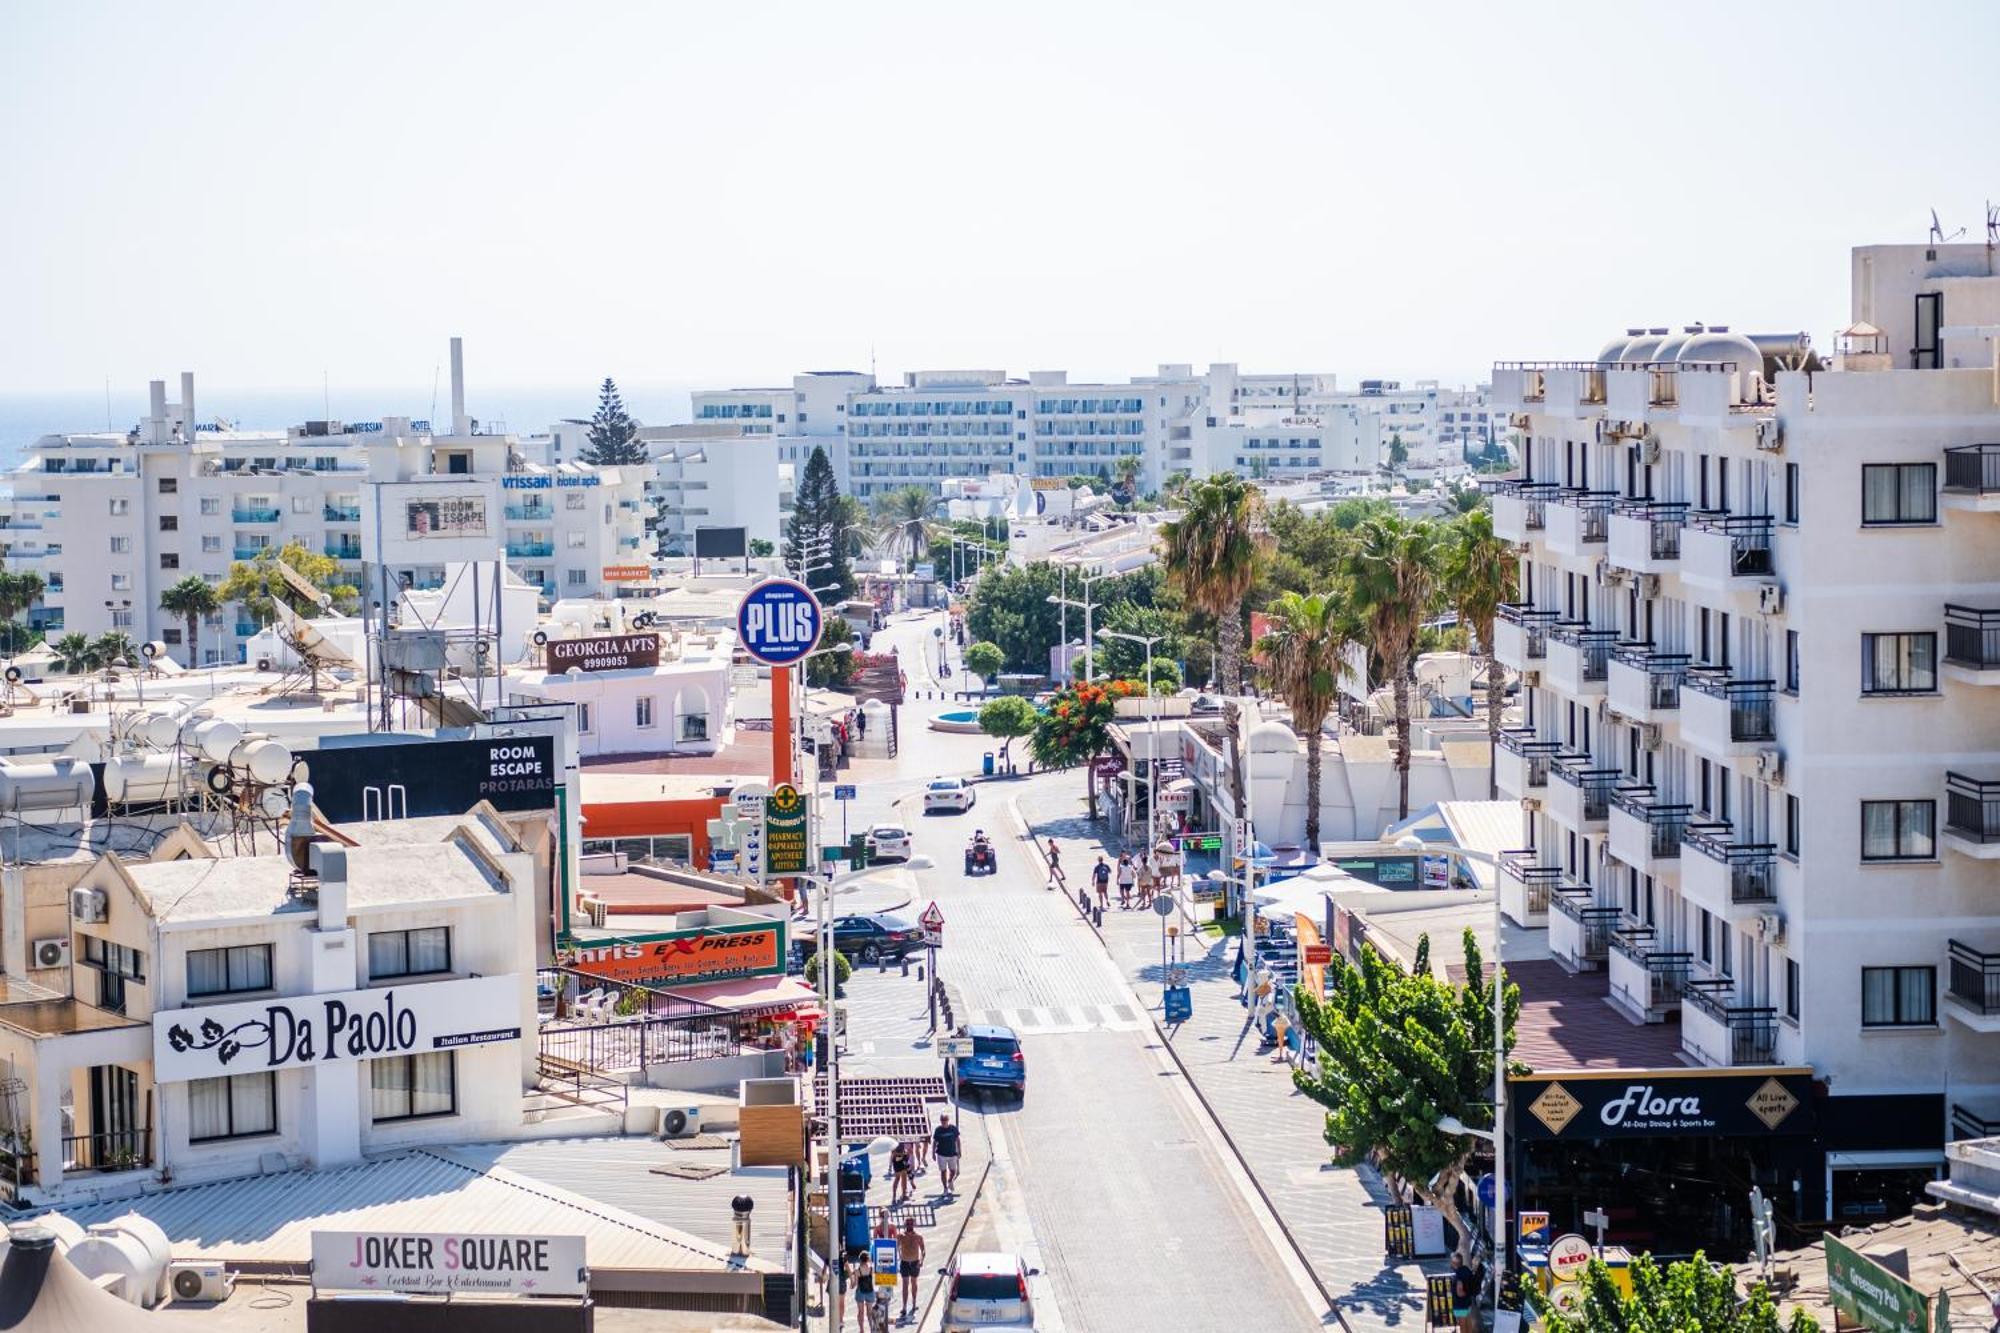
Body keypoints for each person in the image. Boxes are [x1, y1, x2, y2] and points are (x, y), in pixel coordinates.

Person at [896, 1218, 927, 1322]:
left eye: (911, 1223)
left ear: (914, 1224)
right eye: (907, 1223)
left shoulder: (918, 1237)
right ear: (905, 1224)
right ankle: (904, 1307)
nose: (909, 1225)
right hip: (904, 1262)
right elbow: (896, 1247)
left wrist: (921, 1261)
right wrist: (898, 1256)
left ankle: (914, 1303)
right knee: (905, 1284)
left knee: (914, 1283)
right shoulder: (900, 1236)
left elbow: (923, 1250)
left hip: (914, 1262)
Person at [1450, 1250, 1479, 1333]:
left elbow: (1459, 1292)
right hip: (1468, 1303)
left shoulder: (1458, 1275)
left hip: (1460, 1304)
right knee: (1468, 1325)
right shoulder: (1466, 1270)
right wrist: (1468, 1294)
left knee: (1463, 1327)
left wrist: (1462, 1294)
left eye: (1451, 1262)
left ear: (1454, 1263)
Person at [932, 1113, 961, 1195]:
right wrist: (933, 1153)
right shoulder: (938, 1130)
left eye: (945, 1120)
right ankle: (945, 1188)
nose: (944, 1122)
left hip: (952, 1154)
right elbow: (934, 1141)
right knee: (943, 1171)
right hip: (941, 1154)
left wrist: (959, 1151)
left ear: (948, 1120)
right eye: (942, 1120)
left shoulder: (953, 1129)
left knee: (953, 1171)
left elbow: (958, 1140)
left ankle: (950, 1180)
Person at [849, 1252, 877, 1333]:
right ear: (867, 1259)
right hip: (870, 1292)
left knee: (860, 1312)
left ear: (860, 1259)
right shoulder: (871, 1269)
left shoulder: (857, 1271)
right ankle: (872, 1329)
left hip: (860, 1292)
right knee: (870, 1312)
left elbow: (854, 1284)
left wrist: (851, 1285)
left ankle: (861, 1330)